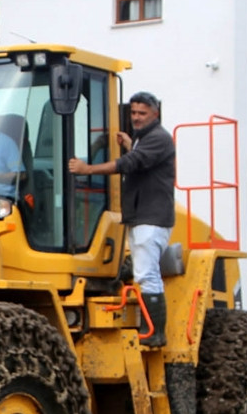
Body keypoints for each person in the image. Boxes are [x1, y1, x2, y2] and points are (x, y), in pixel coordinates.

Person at [68, 91, 175, 347]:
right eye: (133, 113)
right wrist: (129, 143)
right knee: (143, 272)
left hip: (152, 217)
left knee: (146, 274)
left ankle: (155, 333)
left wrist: (88, 169)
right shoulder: (145, 139)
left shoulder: (159, 138)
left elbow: (132, 163)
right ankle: (152, 330)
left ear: (155, 114)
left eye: (142, 113)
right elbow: (138, 157)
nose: (136, 118)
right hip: (141, 215)